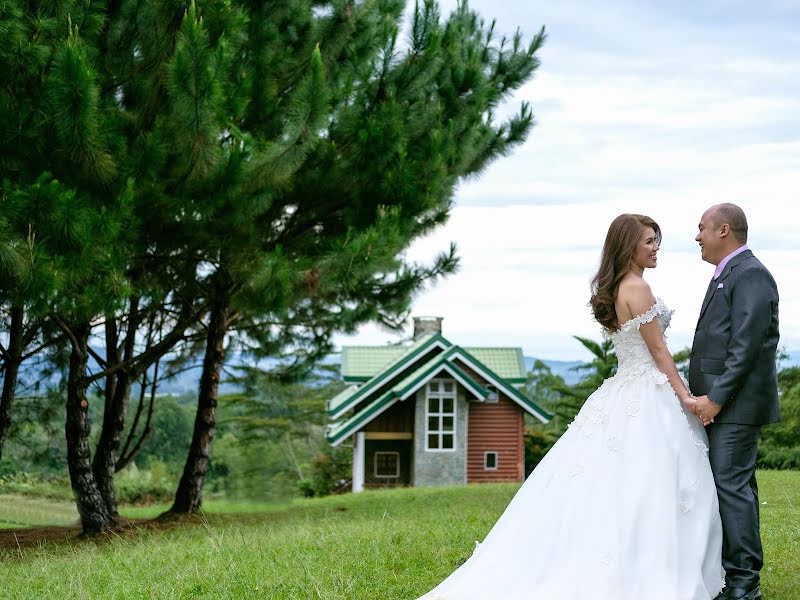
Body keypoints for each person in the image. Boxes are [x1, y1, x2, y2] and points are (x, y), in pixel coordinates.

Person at [417, 214, 724, 600]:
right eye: (649, 241)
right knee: (652, 478)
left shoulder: (616, 288)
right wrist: (685, 395)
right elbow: (658, 350)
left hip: (624, 388)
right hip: (649, 389)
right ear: (629, 245)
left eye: (656, 241)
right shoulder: (638, 288)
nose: (655, 248)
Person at [688, 204, 780, 600]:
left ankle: (744, 586)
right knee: (733, 486)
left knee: (732, 487)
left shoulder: (752, 275)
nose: (697, 236)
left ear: (724, 230)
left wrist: (716, 399)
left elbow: (747, 347)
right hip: (727, 406)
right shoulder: (728, 274)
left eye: (701, 228)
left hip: (736, 408)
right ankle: (735, 578)